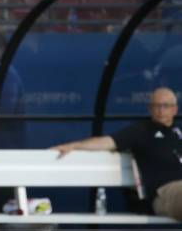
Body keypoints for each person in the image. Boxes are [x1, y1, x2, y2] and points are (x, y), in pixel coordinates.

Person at [51, 87, 182, 221]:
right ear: (150, 109)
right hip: (164, 194)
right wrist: (75, 145)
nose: (160, 110)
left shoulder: (178, 132)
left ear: (174, 109)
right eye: (156, 106)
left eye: (165, 106)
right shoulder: (141, 130)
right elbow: (107, 142)